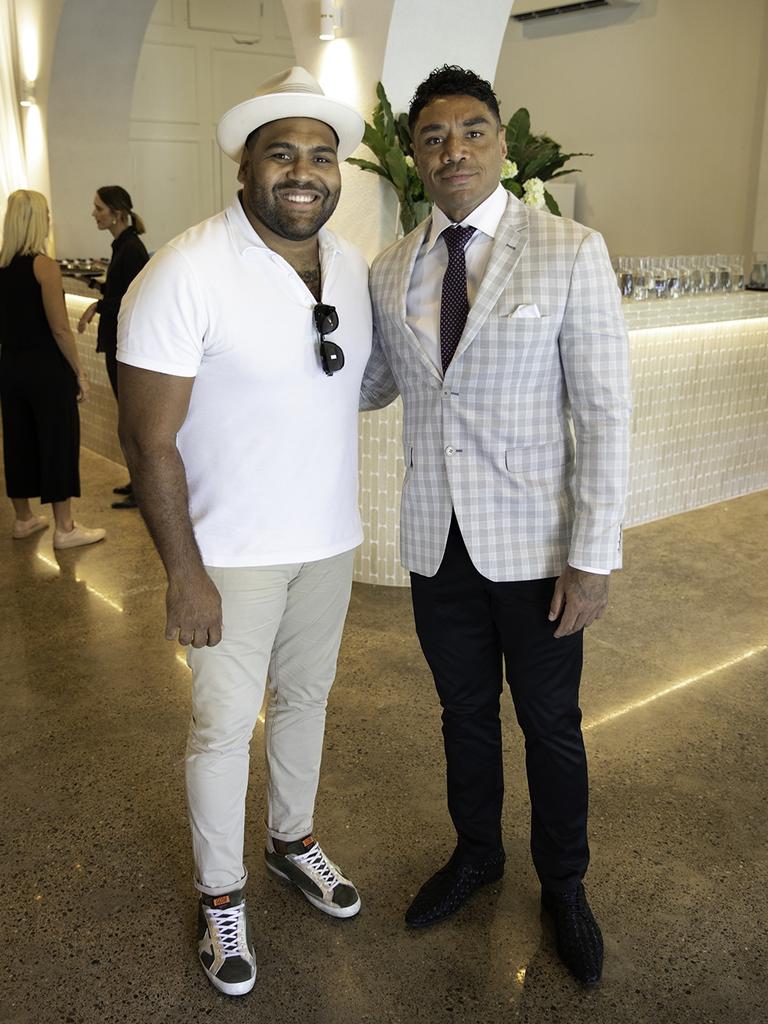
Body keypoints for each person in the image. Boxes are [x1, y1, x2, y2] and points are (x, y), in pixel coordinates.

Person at [360, 66, 631, 987]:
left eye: (473, 131)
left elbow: (603, 413)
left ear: (502, 145)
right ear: (415, 155)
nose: (455, 150)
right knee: (463, 715)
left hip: (538, 549)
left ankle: (566, 883)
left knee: (551, 723)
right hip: (438, 543)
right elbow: (371, 386)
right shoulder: (392, 267)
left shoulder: (567, 251)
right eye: (434, 137)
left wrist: (592, 559)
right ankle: (478, 852)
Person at [116, 67, 370, 997]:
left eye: (320, 156)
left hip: (328, 542)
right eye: (281, 154)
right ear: (244, 168)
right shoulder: (185, 270)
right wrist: (183, 572)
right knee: (224, 728)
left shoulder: (346, 262)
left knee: (307, 702)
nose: (303, 172)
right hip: (227, 554)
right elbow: (145, 443)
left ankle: (291, 840)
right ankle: (220, 894)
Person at [0, 190, 106, 549]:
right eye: (45, 213)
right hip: (46, 369)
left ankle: (23, 519)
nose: (50, 219)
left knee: (17, 440)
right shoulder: (43, 266)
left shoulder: (1, 266)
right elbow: (60, 328)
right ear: (35, 220)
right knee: (58, 441)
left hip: (11, 367)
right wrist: (80, 372)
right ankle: (65, 528)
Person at [77, 185, 149, 509]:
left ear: (117, 212)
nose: (94, 213)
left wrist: (99, 305)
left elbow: (137, 299)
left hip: (125, 343)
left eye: (99, 208)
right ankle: (138, 482)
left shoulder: (131, 248)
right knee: (127, 417)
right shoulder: (123, 245)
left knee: (133, 420)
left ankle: (144, 488)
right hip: (117, 341)